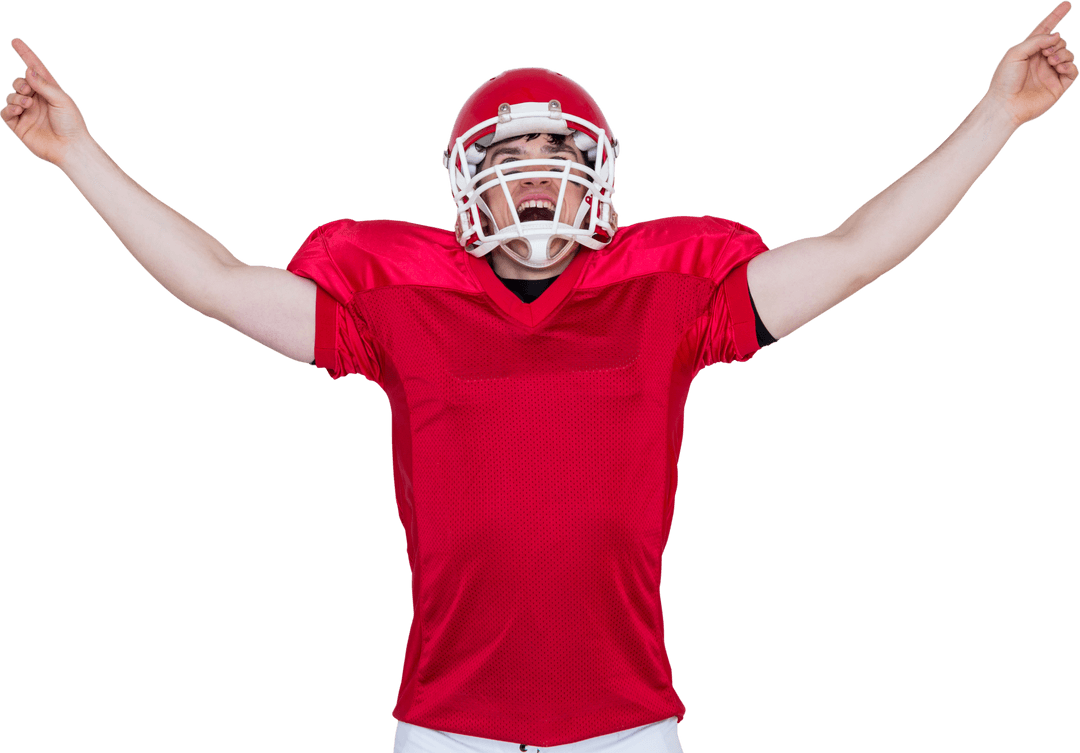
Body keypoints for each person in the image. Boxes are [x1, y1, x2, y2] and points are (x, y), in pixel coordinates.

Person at [4, 2, 1074, 751]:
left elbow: (854, 251)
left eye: (555, 158)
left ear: (598, 173)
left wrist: (993, 118)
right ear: (468, 184)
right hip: (443, 719)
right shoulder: (403, 298)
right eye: (510, 163)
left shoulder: (669, 291)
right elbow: (217, 282)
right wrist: (81, 155)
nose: (534, 183)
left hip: (629, 718)